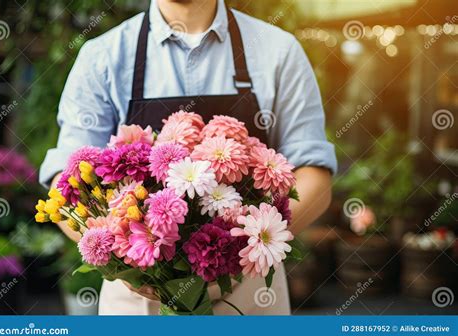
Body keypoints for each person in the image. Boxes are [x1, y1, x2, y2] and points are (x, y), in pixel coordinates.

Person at [40, 0, 337, 315]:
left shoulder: (278, 51)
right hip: (139, 301)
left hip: (250, 297)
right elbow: (67, 183)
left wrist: (247, 249)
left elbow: (314, 174)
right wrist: (129, 261)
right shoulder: (102, 57)